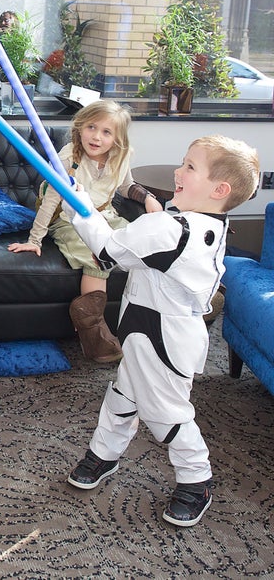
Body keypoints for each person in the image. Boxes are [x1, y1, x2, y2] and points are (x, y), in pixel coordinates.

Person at [63, 135, 259, 527]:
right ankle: (104, 453)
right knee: (124, 394)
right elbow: (155, 235)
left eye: (190, 167)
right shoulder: (206, 222)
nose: (177, 172)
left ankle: (196, 478)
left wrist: (78, 204)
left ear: (219, 189)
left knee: (165, 412)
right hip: (145, 324)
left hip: (163, 335)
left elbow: (109, 251)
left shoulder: (174, 229)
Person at [8, 100, 162, 362]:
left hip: (105, 214)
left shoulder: (121, 156)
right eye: (91, 127)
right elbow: (51, 202)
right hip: (69, 220)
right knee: (98, 258)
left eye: (106, 132)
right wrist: (35, 240)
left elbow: (126, 187)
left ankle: (175, 303)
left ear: (117, 139)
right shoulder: (68, 159)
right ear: (80, 128)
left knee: (143, 245)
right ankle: (93, 334)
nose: (96, 137)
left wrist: (147, 197)